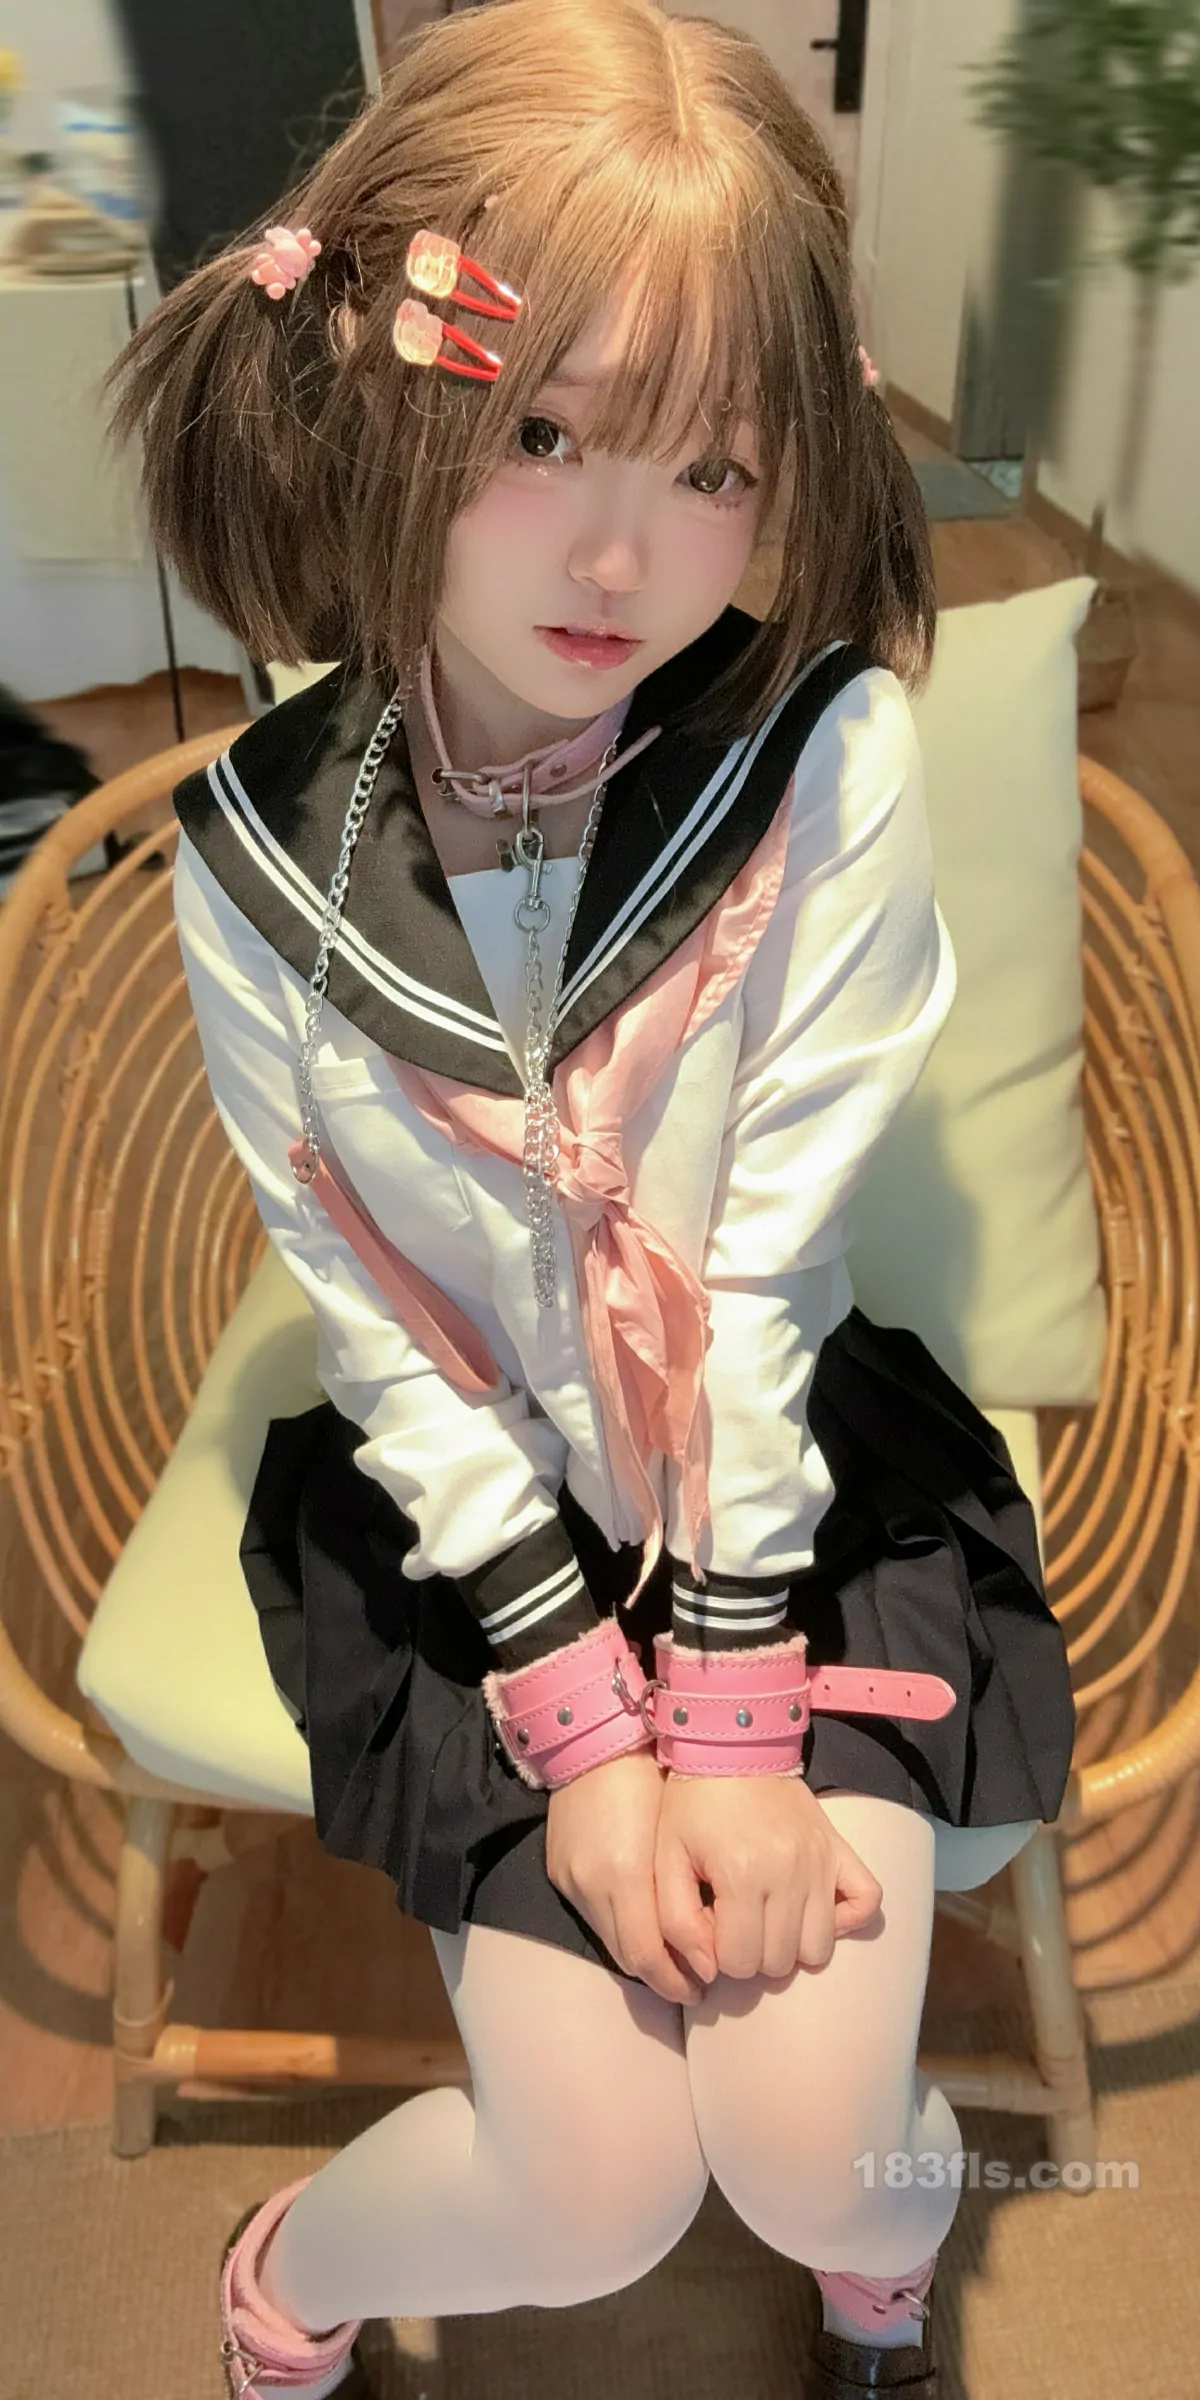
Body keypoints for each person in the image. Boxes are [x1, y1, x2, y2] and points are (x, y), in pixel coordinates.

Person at [107, 2, 1075, 2393]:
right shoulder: (262, 854)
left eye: (715, 464)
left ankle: (877, 2266)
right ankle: (286, 2287)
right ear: (386, 391)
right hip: (479, 1532)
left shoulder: (815, 755)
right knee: (590, 2183)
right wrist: (589, 1731)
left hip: (782, 1485)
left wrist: (725, 1725)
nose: (624, 553)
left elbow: (761, 1267)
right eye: (541, 433)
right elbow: (372, 1310)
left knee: (829, 2158)